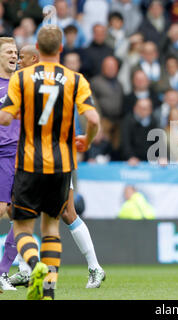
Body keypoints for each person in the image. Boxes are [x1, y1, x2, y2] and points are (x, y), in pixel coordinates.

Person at [0, 24, 100, 300]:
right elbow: (92, 120)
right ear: (60, 49)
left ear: (36, 50)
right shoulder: (75, 79)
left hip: (29, 160)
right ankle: (48, 290)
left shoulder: (22, 79)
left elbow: (6, 118)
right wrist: (87, 141)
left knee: (20, 225)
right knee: (52, 228)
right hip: (62, 162)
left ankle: (33, 265)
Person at [0, 37, 20, 292]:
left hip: (20, 154)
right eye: (8, 51)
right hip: (2, 154)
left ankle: (3, 271)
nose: (13, 55)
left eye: (15, 52)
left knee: (24, 213)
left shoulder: (21, 85)